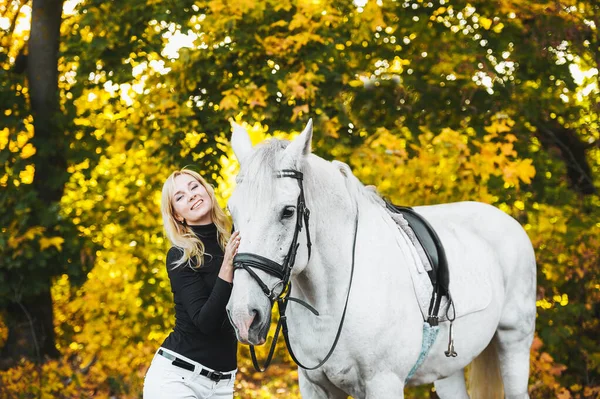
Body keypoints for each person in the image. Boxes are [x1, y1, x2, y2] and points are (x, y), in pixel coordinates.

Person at [143, 168, 241, 399]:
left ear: (206, 190)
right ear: (177, 215)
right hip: (178, 378)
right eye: (180, 196)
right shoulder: (181, 255)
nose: (191, 195)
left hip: (223, 385)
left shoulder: (235, 241)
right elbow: (205, 322)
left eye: (194, 186)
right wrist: (227, 266)